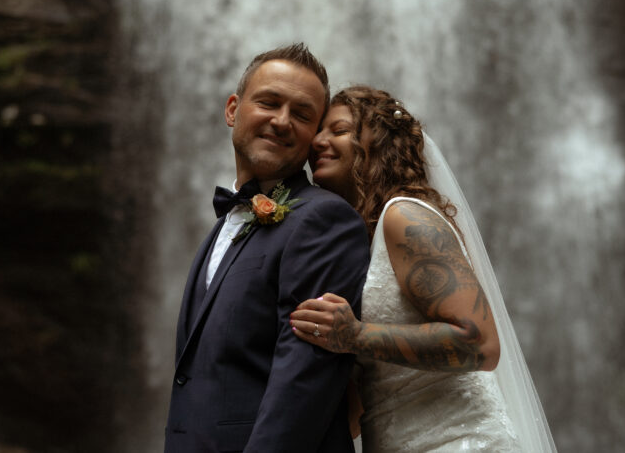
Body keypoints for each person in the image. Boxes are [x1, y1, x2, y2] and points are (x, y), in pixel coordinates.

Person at [290, 86, 557, 453]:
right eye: (318, 131)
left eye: (337, 130)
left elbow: (480, 343)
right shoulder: (358, 248)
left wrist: (354, 336)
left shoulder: (405, 216)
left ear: (378, 144)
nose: (317, 141)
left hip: (460, 442)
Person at [165, 44, 372, 452]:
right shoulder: (226, 224)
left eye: (302, 114)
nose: (281, 121)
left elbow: (304, 382)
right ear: (232, 110)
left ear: (315, 135)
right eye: (269, 102)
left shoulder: (323, 220)